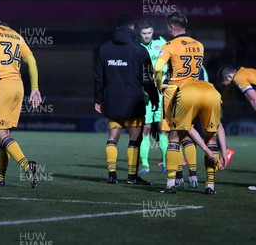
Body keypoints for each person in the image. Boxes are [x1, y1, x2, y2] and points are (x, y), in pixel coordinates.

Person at [154, 11, 225, 194]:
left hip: (182, 92)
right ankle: (210, 185)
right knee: (211, 139)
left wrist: (160, 85)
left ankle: (171, 183)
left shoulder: (170, 45)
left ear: (171, 27)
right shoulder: (199, 45)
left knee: (175, 137)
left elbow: (157, 68)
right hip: (209, 91)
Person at [94, 14, 159, 185]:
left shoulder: (104, 49)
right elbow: (147, 79)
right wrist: (154, 99)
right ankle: (132, 177)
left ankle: (111, 174)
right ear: (133, 28)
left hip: (113, 100)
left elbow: (98, 78)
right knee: (134, 139)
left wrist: (98, 99)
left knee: (112, 138)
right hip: (134, 103)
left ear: (117, 28)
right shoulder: (139, 50)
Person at [0, 10, 41, 188]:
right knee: (5, 134)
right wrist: (35, 88)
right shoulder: (17, 35)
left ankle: (26, 165)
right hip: (18, 87)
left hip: (2, 85)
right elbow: (31, 61)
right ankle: (0, 178)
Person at [134, 19, 168, 176]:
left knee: (162, 128)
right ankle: (145, 165)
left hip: (161, 93)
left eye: (149, 33)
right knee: (145, 129)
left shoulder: (162, 44)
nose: (147, 36)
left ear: (153, 31)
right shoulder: (135, 48)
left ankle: (166, 164)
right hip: (144, 94)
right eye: (144, 33)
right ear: (138, 33)